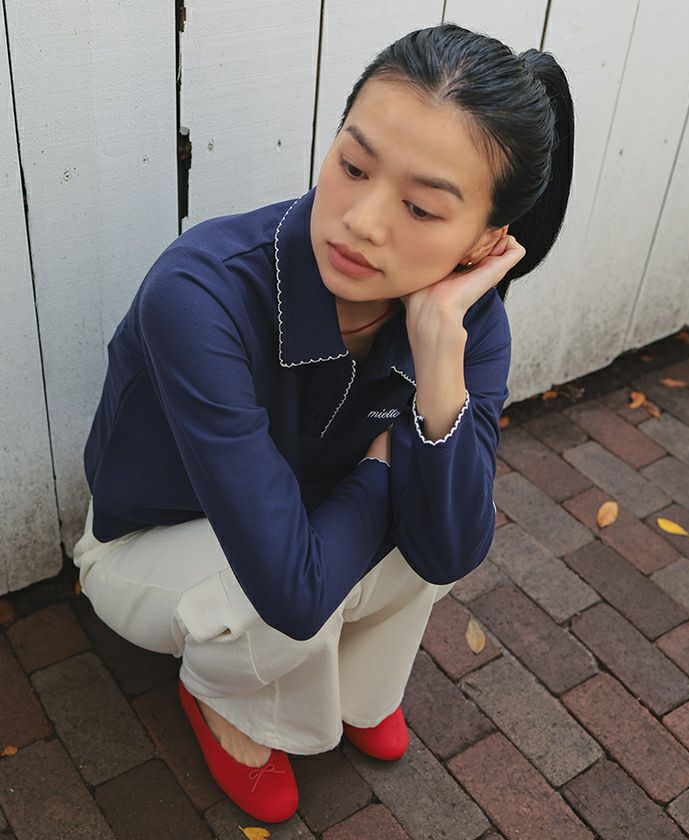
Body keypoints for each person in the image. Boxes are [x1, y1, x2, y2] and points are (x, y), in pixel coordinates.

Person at [72, 22, 574, 823]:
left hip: (303, 515)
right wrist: (382, 470)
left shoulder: (463, 320)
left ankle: (361, 687)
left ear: (484, 241)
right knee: (295, 582)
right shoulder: (199, 294)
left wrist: (438, 368)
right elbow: (292, 592)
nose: (362, 221)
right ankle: (230, 703)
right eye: (353, 166)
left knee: (434, 506)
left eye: (420, 207)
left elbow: (450, 551)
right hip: (157, 540)